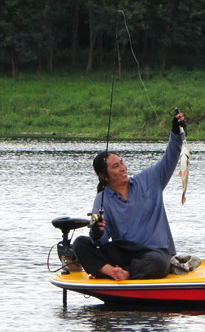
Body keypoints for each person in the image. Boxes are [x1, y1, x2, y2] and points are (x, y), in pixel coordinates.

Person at [73, 110, 187, 281]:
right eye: (115, 166)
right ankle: (112, 271)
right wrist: (96, 233)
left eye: (122, 163)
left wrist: (176, 132)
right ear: (104, 177)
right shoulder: (101, 199)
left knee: (157, 262)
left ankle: (125, 273)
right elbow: (100, 240)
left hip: (154, 253)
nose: (123, 168)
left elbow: (170, 157)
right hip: (124, 254)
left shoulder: (149, 179)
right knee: (80, 243)